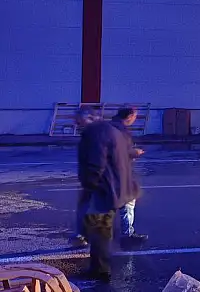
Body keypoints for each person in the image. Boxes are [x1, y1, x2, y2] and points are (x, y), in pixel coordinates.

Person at [77, 114, 139, 282]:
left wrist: (90, 185)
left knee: (99, 230)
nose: (77, 123)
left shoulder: (96, 133)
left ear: (89, 118)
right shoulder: (110, 131)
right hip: (113, 188)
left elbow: (96, 163)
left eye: (79, 119)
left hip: (104, 189)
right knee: (100, 228)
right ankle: (99, 268)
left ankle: (100, 270)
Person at [111, 107, 148, 247]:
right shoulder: (120, 130)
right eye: (135, 116)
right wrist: (133, 153)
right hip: (119, 171)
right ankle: (127, 234)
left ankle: (93, 232)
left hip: (112, 171)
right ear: (130, 116)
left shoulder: (112, 126)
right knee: (127, 201)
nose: (135, 119)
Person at [70, 105, 100, 248]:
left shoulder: (92, 133)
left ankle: (83, 235)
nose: (76, 123)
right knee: (89, 206)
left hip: (92, 178)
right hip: (91, 178)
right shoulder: (91, 133)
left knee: (88, 206)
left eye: (78, 119)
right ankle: (84, 234)